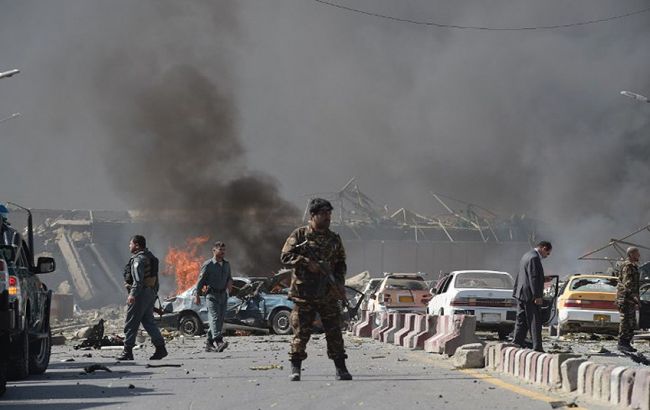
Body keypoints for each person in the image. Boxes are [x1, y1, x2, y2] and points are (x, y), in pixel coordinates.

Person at [280, 198, 352, 381]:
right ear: (313, 215)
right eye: (323, 214)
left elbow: (341, 263)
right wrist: (305, 263)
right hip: (304, 293)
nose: (328, 217)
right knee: (301, 333)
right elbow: (285, 256)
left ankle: (341, 368)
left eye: (329, 214)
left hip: (327, 293)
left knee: (334, 331)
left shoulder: (334, 239)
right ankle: (296, 368)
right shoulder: (300, 235)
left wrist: (340, 284)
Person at [117, 235, 167, 361]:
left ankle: (127, 351)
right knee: (148, 322)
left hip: (140, 294)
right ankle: (161, 348)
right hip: (150, 293)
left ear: (137, 245)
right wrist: (153, 295)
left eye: (131, 244)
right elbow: (155, 281)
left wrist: (132, 294)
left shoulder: (138, 260)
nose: (129, 246)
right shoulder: (151, 258)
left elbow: (138, 281)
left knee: (131, 322)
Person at [512, 241, 552, 352]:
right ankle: (537, 347)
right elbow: (533, 277)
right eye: (547, 253)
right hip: (530, 295)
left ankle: (516, 343)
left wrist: (544, 279)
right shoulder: (534, 258)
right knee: (535, 321)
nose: (546, 256)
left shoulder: (527, 255)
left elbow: (527, 275)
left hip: (521, 293)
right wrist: (537, 296)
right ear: (543, 248)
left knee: (521, 319)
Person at [194, 241, 233, 353]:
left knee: (219, 320)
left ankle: (209, 343)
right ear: (214, 250)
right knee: (214, 317)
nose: (222, 252)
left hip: (223, 295)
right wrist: (197, 295)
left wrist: (230, 283)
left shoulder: (226, 264)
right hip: (211, 295)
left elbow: (229, 277)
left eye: (224, 250)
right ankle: (219, 341)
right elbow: (200, 281)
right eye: (220, 250)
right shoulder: (208, 265)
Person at [617, 247, 640, 353]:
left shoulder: (633, 266)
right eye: (636, 253)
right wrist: (634, 298)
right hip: (626, 298)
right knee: (626, 321)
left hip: (630, 298)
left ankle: (627, 343)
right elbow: (627, 284)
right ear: (631, 254)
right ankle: (622, 343)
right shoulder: (628, 266)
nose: (639, 255)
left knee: (631, 322)